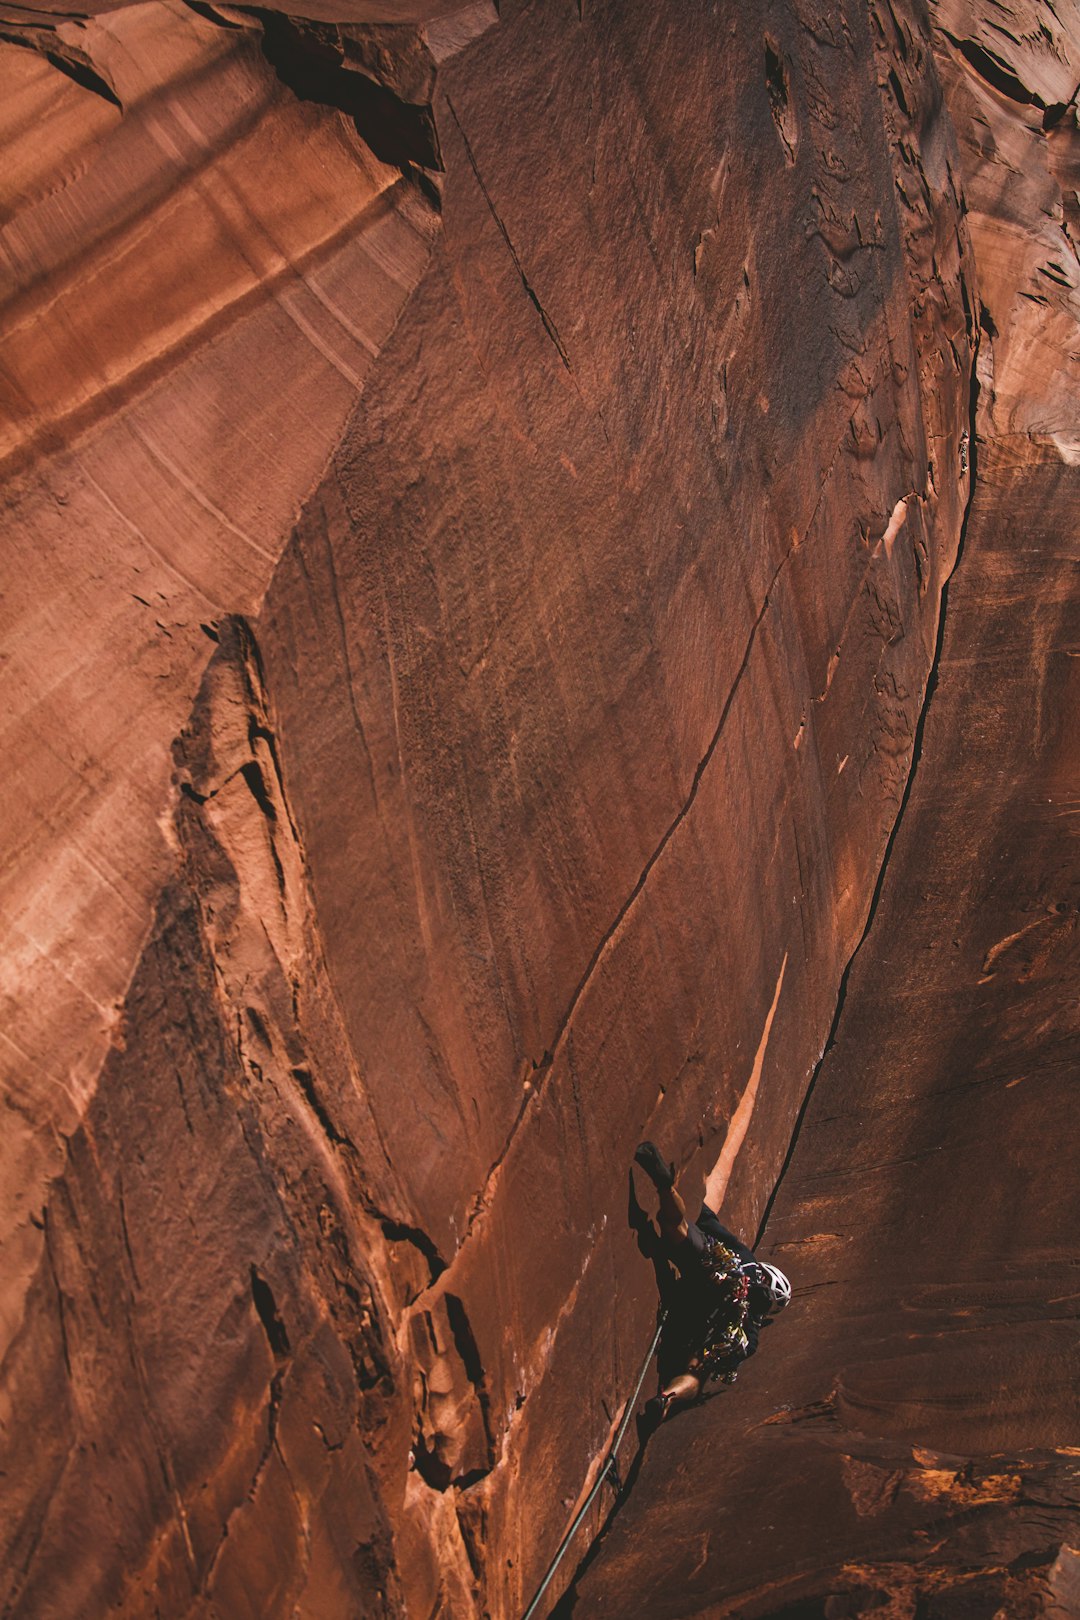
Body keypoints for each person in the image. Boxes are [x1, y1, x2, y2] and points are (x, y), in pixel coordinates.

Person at [633, 1140, 791, 1426]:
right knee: (697, 1371)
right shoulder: (752, 1328)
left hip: (715, 1268)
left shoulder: (746, 1257)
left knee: (676, 1226)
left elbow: (704, 1217)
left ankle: (665, 1188)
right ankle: (668, 1396)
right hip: (715, 1314)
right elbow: (732, 1354)